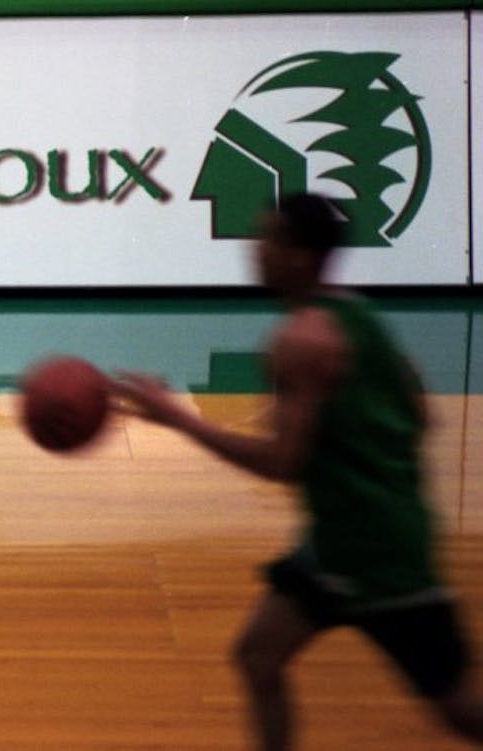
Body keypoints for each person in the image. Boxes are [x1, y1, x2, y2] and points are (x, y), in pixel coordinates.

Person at [113, 193, 482, 750]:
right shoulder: (360, 315)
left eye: (269, 241)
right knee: (258, 655)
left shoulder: (301, 342)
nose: (255, 251)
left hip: (376, 554)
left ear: (302, 257)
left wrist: (177, 419)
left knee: (457, 708)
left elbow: (281, 464)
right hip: (341, 541)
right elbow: (420, 413)